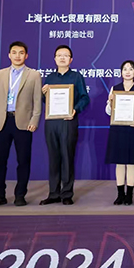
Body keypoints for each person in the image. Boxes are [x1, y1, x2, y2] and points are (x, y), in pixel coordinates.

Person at [40, 45, 90, 206]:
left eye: (65, 55)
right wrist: (43, 94)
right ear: (55, 58)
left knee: (67, 157)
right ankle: (53, 193)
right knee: (53, 158)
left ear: (71, 59)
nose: (62, 58)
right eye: (59, 55)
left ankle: (67, 193)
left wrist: (75, 110)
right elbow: (46, 101)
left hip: (69, 121)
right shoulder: (50, 78)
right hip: (51, 123)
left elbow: (84, 98)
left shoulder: (76, 77)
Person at [0, 41, 42, 207]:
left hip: (23, 123)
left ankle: (20, 195)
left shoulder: (34, 75)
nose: (17, 56)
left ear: (26, 56)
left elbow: (37, 101)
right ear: (9, 55)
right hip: (1, 122)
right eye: (14, 52)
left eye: (21, 53)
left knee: (23, 161)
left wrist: (34, 120)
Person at [105, 60, 134, 206]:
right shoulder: (115, 89)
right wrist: (110, 102)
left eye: (131, 69)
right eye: (125, 69)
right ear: (121, 72)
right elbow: (108, 112)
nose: (127, 72)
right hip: (118, 129)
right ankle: (120, 194)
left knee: (131, 162)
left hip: (132, 129)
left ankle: (129, 195)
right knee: (119, 163)